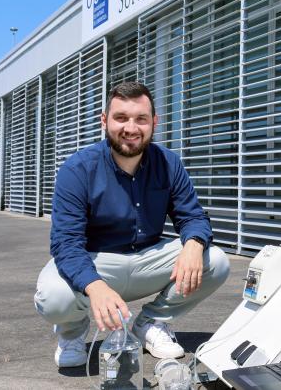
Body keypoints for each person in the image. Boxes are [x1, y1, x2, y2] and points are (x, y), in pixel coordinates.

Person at [34, 81, 230, 368]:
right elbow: (66, 243)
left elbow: (193, 217)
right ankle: (72, 333)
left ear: (154, 122)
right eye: (121, 118)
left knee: (215, 260)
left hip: (148, 259)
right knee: (54, 297)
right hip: (97, 261)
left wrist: (193, 243)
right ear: (104, 121)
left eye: (141, 119)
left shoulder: (169, 163)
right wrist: (94, 286)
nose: (131, 128)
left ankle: (150, 324)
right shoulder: (77, 169)